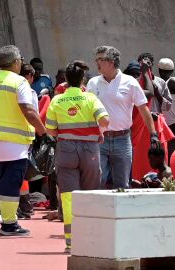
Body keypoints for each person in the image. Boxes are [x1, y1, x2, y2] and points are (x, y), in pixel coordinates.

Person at [0, 45, 49, 236]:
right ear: (16, 62)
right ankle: (9, 224)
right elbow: (28, 110)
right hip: (14, 142)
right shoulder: (19, 82)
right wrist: (43, 132)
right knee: (11, 181)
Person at [46, 60, 109, 253]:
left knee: (68, 196)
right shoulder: (90, 98)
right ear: (83, 79)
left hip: (65, 150)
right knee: (90, 193)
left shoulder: (57, 100)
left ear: (65, 80)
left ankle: (71, 242)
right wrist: (100, 132)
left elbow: (50, 129)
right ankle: (90, 241)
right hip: (90, 149)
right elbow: (105, 119)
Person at [87, 46, 159, 189]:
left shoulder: (130, 82)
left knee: (122, 185)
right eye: (96, 59)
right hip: (99, 139)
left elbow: (143, 109)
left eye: (100, 59)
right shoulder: (92, 83)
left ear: (111, 62)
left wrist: (153, 134)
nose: (97, 63)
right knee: (97, 181)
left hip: (122, 140)